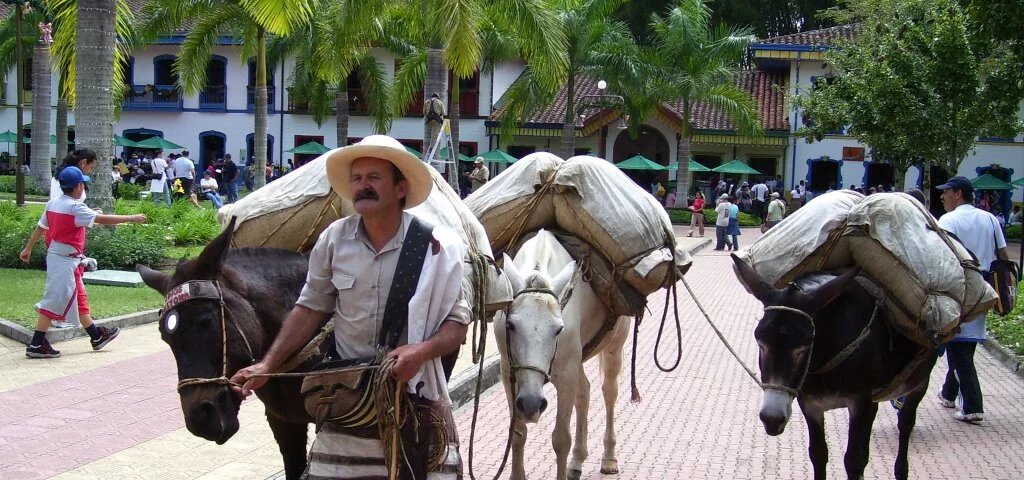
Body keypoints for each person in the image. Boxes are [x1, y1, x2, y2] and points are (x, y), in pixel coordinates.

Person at [229, 135, 469, 479]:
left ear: (401, 188)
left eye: (374, 178)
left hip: (415, 396)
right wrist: (267, 364)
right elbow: (310, 308)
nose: (362, 186)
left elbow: (457, 324)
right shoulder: (333, 239)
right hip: (347, 399)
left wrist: (421, 350)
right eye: (357, 179)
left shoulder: (436, 247)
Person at [19, 167, 147, 358]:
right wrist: (131, 218)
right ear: (79, 186)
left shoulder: (54, 203)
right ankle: (36, 345)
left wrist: (28, 248)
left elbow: (41, 227)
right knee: (53, 300)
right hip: (65, 262)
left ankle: (96, 336)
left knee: (79, 298)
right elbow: (102, 219)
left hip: (63, 259)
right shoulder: (75, 208)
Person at [935, 176, 1010, 424]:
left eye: (946, 192)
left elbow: (941, 256)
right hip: (985, 289)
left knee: (959, 347)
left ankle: (973, 406)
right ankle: (948, 393)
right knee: (964, 344)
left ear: (958, 193)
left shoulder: (948, 220)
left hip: (957, 288)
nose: (942, 197)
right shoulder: (989, 218)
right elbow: (1003, 255)